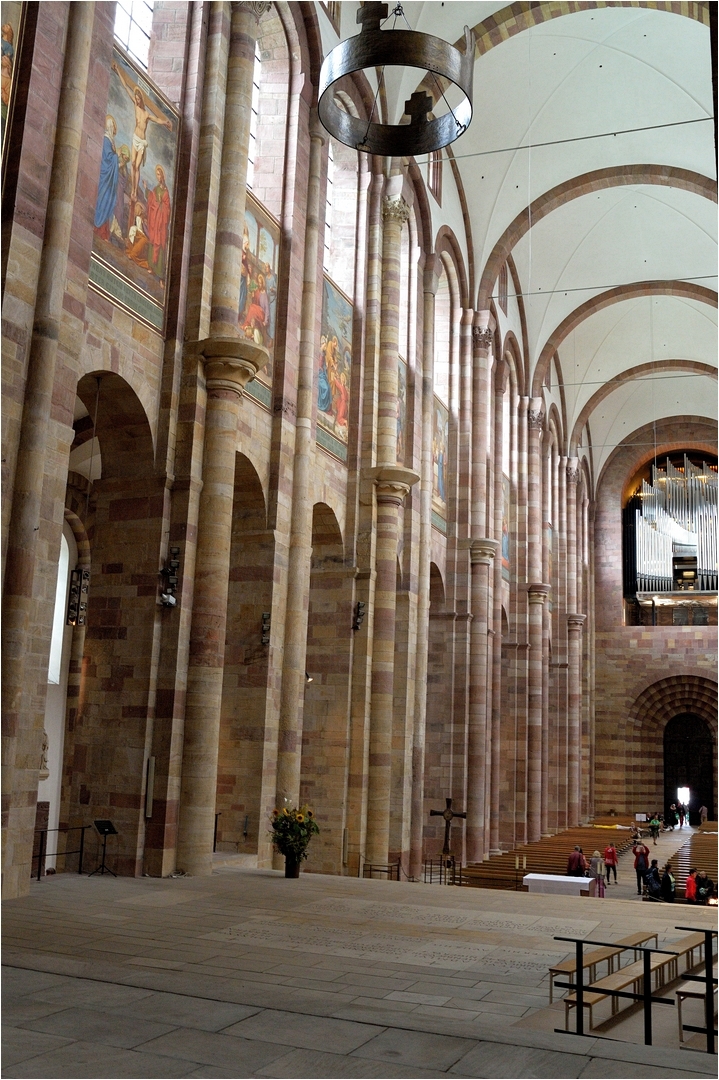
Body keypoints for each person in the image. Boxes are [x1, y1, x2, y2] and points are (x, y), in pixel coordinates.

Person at [112, 59, 173, 203]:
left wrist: (165, 122)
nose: (137, 100)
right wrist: (118, 71)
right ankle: (133, 190)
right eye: (136, 98)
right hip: (135, 138)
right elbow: (126, 87)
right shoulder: (135, 107)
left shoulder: (146, 114)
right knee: (133, 164)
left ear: (142, 100)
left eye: (139, 99)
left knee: (137, 165)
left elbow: (156, 119)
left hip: (141, 142)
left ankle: (134, 191)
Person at [94, 115, 119, 241]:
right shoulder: (106, 140)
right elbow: (106, 159)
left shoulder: (111, 142)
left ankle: (104, 233)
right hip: (105, 179)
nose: (114, 128)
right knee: (102, 201)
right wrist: (116, 157)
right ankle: (98, 229)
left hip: (109, 181)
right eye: (113, 125)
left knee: (108, 203)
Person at [145, 165, 171, 286]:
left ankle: (160, 276)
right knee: (152, 242)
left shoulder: (166, 192)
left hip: (161, 225)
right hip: (155, 222)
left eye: (160, 175)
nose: (158, 177)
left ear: (163, 176)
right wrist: (146, 189)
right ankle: (152, 267)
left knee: (160, 245)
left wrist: (161, 206)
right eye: (157, 175)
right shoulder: (156, 189)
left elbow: (168, 209)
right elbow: (152, 199)